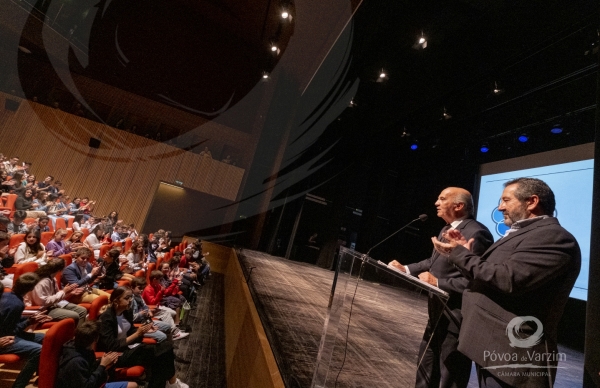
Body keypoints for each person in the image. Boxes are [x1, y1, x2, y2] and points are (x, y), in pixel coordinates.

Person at [432, 178, 581, 388]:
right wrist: (465, 252)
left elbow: (508, 279)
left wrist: (459, 254)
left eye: (506, 200)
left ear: (532, 201)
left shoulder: (554, 237)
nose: (500, 207)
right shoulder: (524, 234)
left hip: (514, 356)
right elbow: (489, 273)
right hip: (493, 347)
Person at [389, 187, 493, 388]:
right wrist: (406, 269)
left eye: (442, 198)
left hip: (456, 317)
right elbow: (433, 261)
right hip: (437, 312)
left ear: (459, 205)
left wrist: (437, 283)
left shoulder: (477, 233)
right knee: (426, 367)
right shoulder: (446, 229)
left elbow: (477, 280)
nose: (436, 202)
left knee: (450, 376)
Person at [97, 286, 189, 388]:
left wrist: (145, 330)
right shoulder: (106, 318)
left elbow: (131, 329)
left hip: (129, 347)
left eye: (131, 297)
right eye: (127, 298)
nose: (131, 300)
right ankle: (172, 382)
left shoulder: (126, 312)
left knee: (165, 349)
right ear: (116, 301)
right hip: (116, 355)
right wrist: (137, 334)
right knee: (163, 353)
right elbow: (111, 345)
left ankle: (169, 383)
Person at [0, 273, 53, 388]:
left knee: (46, 338)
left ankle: (42, 375)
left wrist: (31, 319)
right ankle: (19, 385)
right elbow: (10, 331)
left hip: (8, 334)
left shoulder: (8, 296)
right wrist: (29, 322)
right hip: (4, 340)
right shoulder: (16, 303)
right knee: (38, 350)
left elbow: (12, 322)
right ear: (31, 289)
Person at [57, 321, 137, 388]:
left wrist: (104, 362)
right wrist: (102, 365)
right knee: (133, 386)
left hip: (93, 381)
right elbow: (87, 385)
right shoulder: (76, 361)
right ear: (95, 340)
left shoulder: (82, 348)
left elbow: (90, 368)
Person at [26, 258, 88, 325]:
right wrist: (63, 292)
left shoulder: (52, 278)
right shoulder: (43, 281)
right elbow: (42, 302)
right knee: (75, 315)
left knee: (82, 310)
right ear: (60, 270)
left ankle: (79, 333)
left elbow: (56, 296)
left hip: (54, 304)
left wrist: (69, 293)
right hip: (44, 309)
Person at [130, 277, 188, 341]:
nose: (141, 290)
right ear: (132, 288)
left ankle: (174, 332)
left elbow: (145, 306)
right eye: (139, 288)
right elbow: (131, 318)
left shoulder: (139, 296)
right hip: (141, 322)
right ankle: (175, 333)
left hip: (146, 318)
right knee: (166, 315)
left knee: (170, 319)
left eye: (142, 289)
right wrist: (141, 314)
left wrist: (148, 311)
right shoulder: (131, 300)